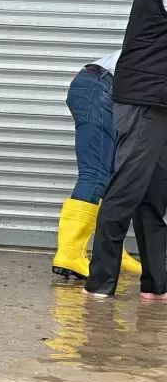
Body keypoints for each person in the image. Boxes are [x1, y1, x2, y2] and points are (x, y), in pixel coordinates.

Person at [86, 0, 167, 301]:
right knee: (126, 190)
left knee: (153, 196)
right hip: (144, 98)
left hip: (157, 98)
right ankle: (100, 283)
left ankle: (156, 286)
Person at [52, 51, 142, 278]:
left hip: (108, 89)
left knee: (114, 175)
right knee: (95, 173)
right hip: (100, 87)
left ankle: (111, 253)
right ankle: (69, 254)